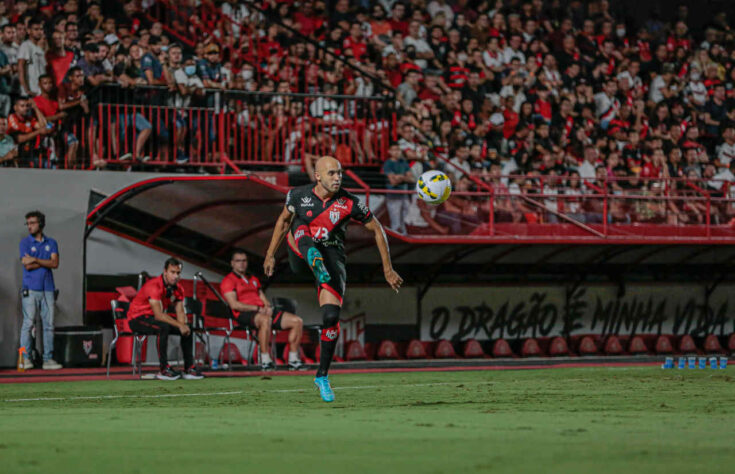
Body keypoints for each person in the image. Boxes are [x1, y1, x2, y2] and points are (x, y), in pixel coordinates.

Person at [264, 156, 403, 402]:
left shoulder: (350, 202)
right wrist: (270, 255)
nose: (337, 177)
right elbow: (283, 221)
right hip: (299, 251)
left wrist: (388, 269)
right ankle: (314, 259)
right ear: (317, 176)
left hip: (331, 258)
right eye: (331, 173)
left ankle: (322, 376)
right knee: (301, 227)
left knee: (330, 317)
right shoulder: (298, 195)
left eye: (339, 173)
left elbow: (378, 229)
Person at [221, 249, 304, 371]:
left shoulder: (253, 279)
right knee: (265, 320)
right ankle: (265, 360)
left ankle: (293, 360)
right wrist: (258, 309)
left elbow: (263, 298)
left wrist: (268, 307)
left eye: (244, 261)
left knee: (297, 321)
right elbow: (234, 305)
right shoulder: (228, 281)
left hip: (261, 311)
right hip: (244, 314)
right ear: (232, 263)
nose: (242, 263)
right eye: (238, 261)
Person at [126, 258, 204, 381]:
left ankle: (189, 368)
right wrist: (180, 325)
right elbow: (158, 315)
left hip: (154, 318)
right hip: (137, 318)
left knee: (187, 328)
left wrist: (183, 326)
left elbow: (180, 311)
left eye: (178, 273)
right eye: (172, 272)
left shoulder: (178, 289)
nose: (175, 276)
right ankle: (164, 369)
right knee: (163, 327)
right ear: (165, 272)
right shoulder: (154, 286)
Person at [19, 210, 61, 370]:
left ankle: (48, 359)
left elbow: (55, 264)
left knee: (49, 325)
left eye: (32, 223)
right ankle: (25, 358)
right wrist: (46, 261)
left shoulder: (52, 242)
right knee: (28, 324)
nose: (29, 226)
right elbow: (27, 266)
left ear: (41, 224)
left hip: (48, 289)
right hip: (30, 289)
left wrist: (35, 258)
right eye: (27, 223)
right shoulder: (25, 243)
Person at [382, 141, 413, 233]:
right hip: (393, 196)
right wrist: (404, 177)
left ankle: (404, 239)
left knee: (405, 221)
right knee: (395, 223)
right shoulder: (388, 163)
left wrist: (399, 177)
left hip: (404, 195)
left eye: (398, 150)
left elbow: (411, 179)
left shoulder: (404, 162)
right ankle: (395, 242)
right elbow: (393, 182)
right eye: (394, 150)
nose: (396, 152)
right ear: (389, 151)